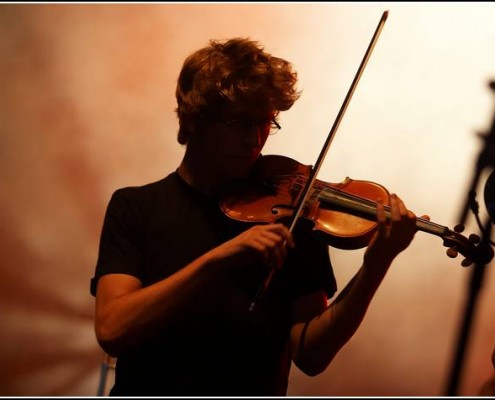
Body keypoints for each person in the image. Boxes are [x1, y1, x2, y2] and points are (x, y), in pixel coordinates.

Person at [90, 37, 421, 396]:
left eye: (266, 122)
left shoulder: (293, 218)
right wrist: (217, 261)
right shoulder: (136, 207)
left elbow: (311, 355)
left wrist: (376, 265)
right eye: (239, 121)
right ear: (195, 118)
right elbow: (113, 330)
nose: (255, 139)